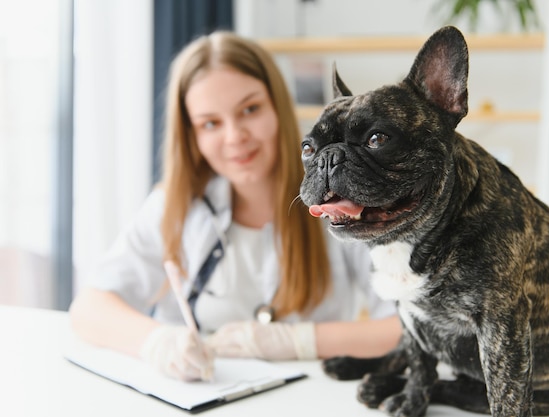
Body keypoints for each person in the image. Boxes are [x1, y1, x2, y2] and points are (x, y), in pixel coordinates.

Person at [69, 31, 401, 382]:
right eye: (210, 123)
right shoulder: (174, 206)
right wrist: (157, 341)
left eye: (250, 109)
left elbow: (408, 326)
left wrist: (299, 341)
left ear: (277, 107)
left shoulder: (344, 205)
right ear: (191, 134)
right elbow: (89, 310)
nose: (234, 136)